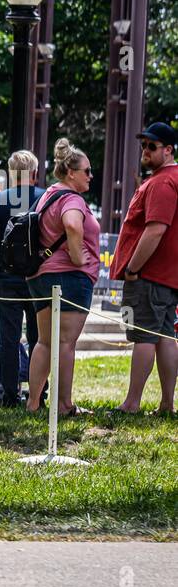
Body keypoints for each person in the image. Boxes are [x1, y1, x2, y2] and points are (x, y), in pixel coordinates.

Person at [26, 138, 100, 417]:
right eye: (87, 171)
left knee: (44, 341)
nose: (91, 176)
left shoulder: (48, 194)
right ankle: (64, 405)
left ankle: (33, 403)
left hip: (41, 276)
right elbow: (71, 223)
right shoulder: (72, 198)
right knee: (66, 343)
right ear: (72, 173)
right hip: (69, 277)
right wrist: (80, 258)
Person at [110, 122, 178, 415]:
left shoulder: (163, 182)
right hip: (165, 276)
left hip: (150, 275)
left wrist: (133, 269)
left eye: (152, 146)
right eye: (144, 146)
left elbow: (155, 230)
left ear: (168, 150)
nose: (146, 151)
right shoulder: (167, 179)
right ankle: (166, 404)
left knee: (143, 336)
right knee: (164, 336)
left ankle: (132, 403)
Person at [0, 150, 44, 407]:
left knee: (8, 339)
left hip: (7, 276)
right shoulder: (46, 199)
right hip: (39, 276)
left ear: (10, 173)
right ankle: (39, 394)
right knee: (41, 339)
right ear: (35, 173)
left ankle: (10, 395)